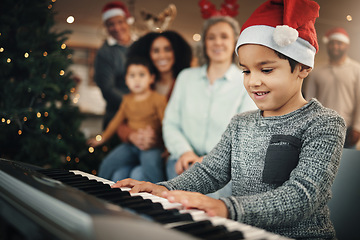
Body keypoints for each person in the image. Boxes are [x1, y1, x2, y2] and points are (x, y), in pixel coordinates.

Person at [111, 0, 347, 239]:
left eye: (266, 70)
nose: (253, 81)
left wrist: (227, 208)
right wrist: (165, 188)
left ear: (303, 67)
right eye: (246, 70)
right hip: (244, 232)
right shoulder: (240, 124)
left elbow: (303, 196)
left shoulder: (324, 123)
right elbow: (210, 172)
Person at [163, 16, 257, 199]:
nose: (217, 42)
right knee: (176, 205)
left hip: (222, 167)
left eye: (224, 37)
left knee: (206, 211)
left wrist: (209, 160)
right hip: (181, 160)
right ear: (204, 42)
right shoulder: (185, 78)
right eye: (211, 37)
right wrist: (185, 152)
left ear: (234, 43)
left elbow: (244, 133)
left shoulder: (246, 81)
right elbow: (171, 123)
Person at [114, 31, 193, 179]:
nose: (162, 55)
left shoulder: (186, 83)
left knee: (137, 174)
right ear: (148, 54)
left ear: (176, 52)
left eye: (167, 49)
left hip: (171, 153)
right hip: (139, 150)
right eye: (156, 50)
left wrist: (160, 141)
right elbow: (122, 121)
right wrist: (132, 135)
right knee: (120, 174)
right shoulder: (141, 82)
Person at [88, 56, 167, 183]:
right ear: (126, 80)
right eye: (132, 75)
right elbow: (116, 122)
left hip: (150, 146)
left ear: (151, 78)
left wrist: (167, 148)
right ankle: (99, 190)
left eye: (141, 75)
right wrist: (102, 138)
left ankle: (160, 194)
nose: (136, 80)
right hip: (130, 145)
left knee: (152, 169)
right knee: (108, 163)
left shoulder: (158, 99)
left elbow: (166, 124)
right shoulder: (127, 100)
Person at [304, 27, 360, 148]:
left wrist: (357, 127)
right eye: (332, 43)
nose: (335, 46)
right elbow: (309, 101)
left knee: (346, 165)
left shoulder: (357, 70)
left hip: (348, 130)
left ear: (347, 45)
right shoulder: (316, 72)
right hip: (320, 128)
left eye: (339, 43)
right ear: (327, 45)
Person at [94, 1, 133, 129]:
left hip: (143, 116)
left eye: (120, 22)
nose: (116, 28)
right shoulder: (104, 53)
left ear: (127, 22)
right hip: (117, 118)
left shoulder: (139, 46)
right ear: (106, 27)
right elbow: (107, 89)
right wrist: (135, 105)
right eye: (111, 24)